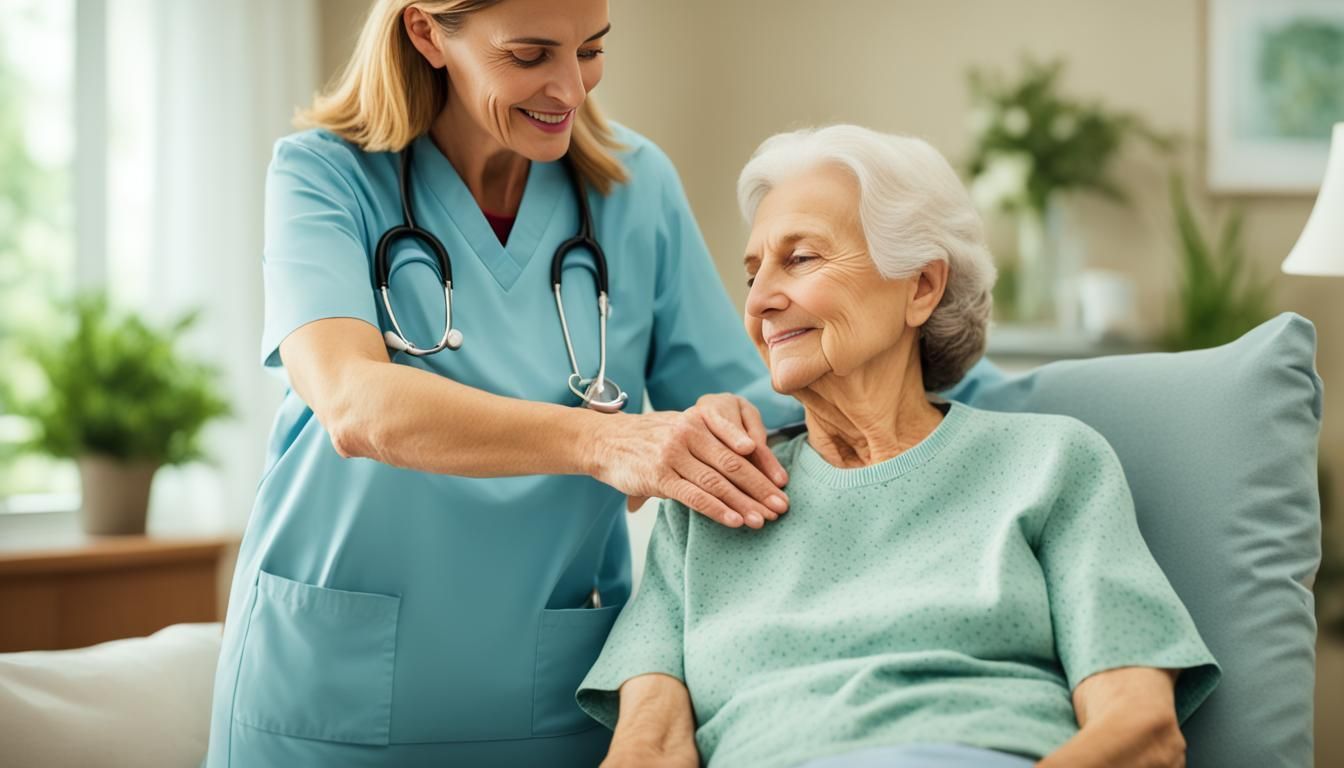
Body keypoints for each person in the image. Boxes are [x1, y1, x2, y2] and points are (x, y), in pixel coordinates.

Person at [204, 1, 804, 765]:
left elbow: (757, 401)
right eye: (530, 56)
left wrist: (952, 378)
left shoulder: (635, 186)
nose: (571, 89)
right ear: (426, 33)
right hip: (325, 703)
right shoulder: (323, 174)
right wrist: (605, 442)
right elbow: (354, 402)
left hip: (551, 698)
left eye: (591, 50)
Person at [577, 125, 1221, 768]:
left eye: (800, 259)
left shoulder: (1050, 463)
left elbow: (1141, 730)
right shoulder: (710, 492)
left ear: (920, 287)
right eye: (753, 273)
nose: (761, 301)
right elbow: (648, 748)